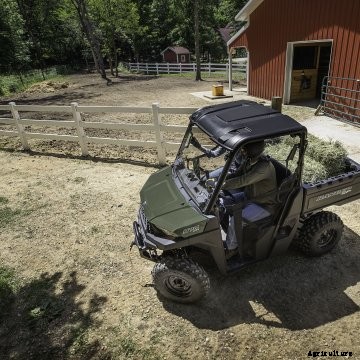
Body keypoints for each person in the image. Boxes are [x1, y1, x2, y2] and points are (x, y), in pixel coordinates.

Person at [218, 140, 277, 258]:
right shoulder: (250, 160)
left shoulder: (263, 167)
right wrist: (220, 179)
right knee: (221, 204)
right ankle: (232, 234)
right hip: (249, 197)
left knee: (236, 220)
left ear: (252, 151)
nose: (242, 152)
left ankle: (231, 249)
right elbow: (237, 174)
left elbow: (243, 180)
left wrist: (221, 185)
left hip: (263, 205)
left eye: (244, 150)